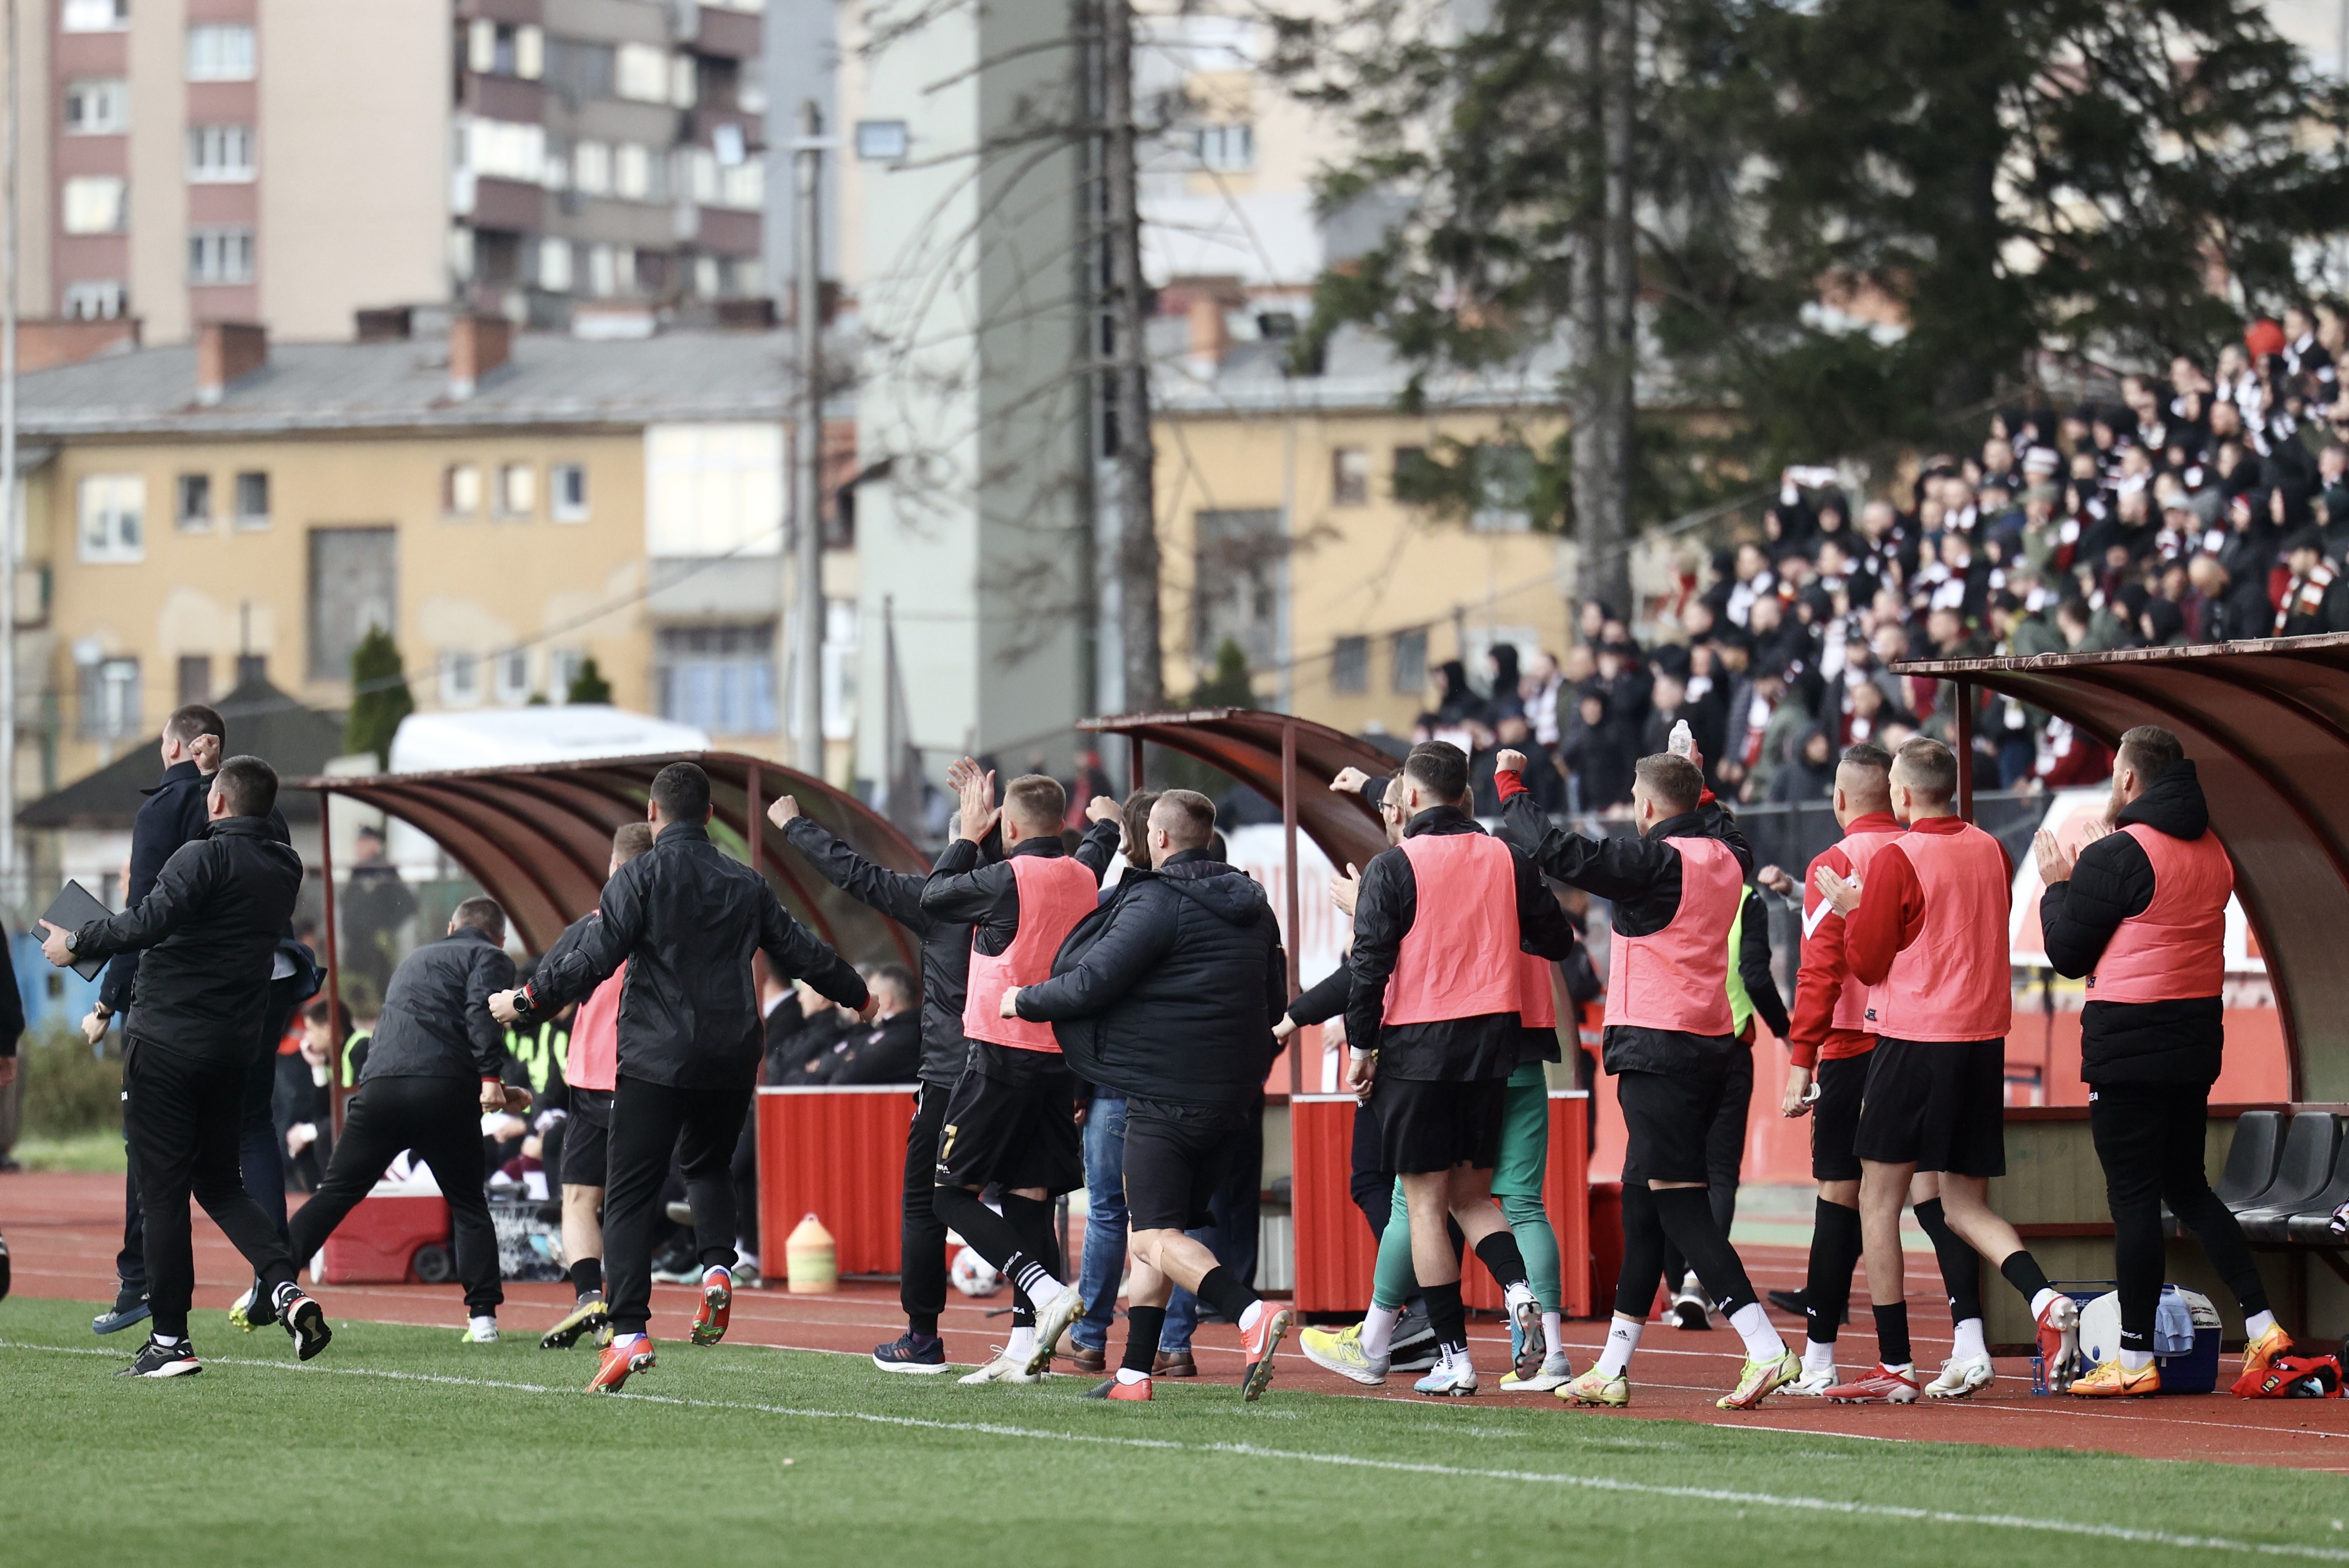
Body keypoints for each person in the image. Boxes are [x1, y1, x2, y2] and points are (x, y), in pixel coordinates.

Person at [493, 761, 872, 1393]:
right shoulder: (746, 881)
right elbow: (800, 947)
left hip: (655, 1058)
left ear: (652, 812)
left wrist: (528, 1000)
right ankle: (719, 1266)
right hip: (730, 1054)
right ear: (711, 816)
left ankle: (631, 1333)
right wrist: (855, 992)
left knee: (631, 1192)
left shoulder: (637, 877)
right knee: (707, 1166)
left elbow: (592, 957)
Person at [1494, 745, 1799, 1410]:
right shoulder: (1729, 856)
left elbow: (1552, 849)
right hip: (1708, 1042)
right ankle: (1611, 1364)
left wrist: (1508, 780)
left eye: (1637, 796)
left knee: (1681, 1204)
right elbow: (1722, 823)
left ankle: (1764, 1343)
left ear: (1651, 806)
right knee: (1642, 1205)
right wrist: (1694, 772)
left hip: (1657, 1050)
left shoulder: (1655, 860)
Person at [41, 755, 330, 1377]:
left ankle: (170, 1341)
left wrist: (77, 942)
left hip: (168, 1041)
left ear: (219, 802)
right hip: (233, 1047)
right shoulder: (285, 865)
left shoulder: (202, 856)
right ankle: (284, 1288)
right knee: (222, 1182)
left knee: (162, 1190)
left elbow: (148, 920)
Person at [1004, 788, 1293, 1401]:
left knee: (1150, 1237)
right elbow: (1275, 1002)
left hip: (1168, 1090)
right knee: (1159, 1226)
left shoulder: (1160, 900)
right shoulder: (1255, 904)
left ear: (1159, 839)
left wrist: (1022, 999)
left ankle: (1249, 1313)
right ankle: (1135, 1372)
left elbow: (1092, 981)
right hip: (1234, 1097)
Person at [1813, 736, 2078, 1402]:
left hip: (1913, 1038)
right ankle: (2045, 1298)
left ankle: (1896, 1363)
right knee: (1961, 1202)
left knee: (1878, 1197)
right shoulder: (1992, 847)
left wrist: (1852, 909)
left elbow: (1869, 962)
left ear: (1902, 793)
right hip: (1982, 1039)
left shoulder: (1902, 856)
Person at [2033, 725, 2292, 1397]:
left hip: (2127, 1045)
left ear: (2127, 780)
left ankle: (2134, 1355)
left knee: (2134, 1203)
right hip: (2192, 1041)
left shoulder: (2118, 853)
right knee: (2189, 1188)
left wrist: (2060, 884)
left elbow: (2067, 952)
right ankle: (2262, 1323)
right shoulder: (2214, 850)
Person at [1334, 740, 1580, 1397]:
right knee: (1474, 1197)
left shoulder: (1394, 864)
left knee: (1422, 1205)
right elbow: (1558, 940)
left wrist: (1362, 1049)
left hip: (1418, 1046)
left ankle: (1455, 1357)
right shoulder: (1509, 858)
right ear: (1464, 793)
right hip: (1494, 1047)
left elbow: (1370, 965)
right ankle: (1520, 1290)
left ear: (1411, 796)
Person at [1768, 742, 1996, 1397]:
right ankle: (1968, 1339)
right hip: (1919, 1039)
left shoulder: (1835, 862)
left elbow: (1819, 971)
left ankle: (1822, 1359)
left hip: (1850, 1046)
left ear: (1840, 800)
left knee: (1842, 1198)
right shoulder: (1917, 851)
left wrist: (1799, 1060)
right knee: (1934, 1198)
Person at [916, 759, 1121, 1383]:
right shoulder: (1084, 872)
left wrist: (965, 834)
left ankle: (1044, 1288)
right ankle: (1025, 1348)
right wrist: (1107, 823)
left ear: (1006, 826)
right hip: (1060, 1059)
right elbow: (1097, 841)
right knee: (1031, 1200)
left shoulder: (1006, 875)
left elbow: (934, 898)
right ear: (1062, 821)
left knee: (947, 1193)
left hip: (999, 1052)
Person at [773, 791, 984, 1372]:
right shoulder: (1042, 889)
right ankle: (1031, 1324)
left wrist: (794, 825)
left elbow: (855, 874)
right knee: (1025, 1195)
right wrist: (1102, 837)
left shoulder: (940, 897)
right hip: (1025, 1063)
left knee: (929, 1202)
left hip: (951, 1068)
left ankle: (925, 1336)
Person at [285, 897, 521, 1341]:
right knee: (469, 1204)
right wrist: (491, 1076)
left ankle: (271, 1280)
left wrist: (499, 1090)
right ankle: (482, 1318)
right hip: (443, 1093)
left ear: (451, 926)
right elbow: (478, 1011)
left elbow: (418, 1034)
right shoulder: (490, 956)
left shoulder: (416, 958)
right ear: (501, 937)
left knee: (335, 1192)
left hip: (382, 1089)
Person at [526, 821, 656, 1351]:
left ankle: (589, 1298)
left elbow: (547, 997)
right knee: (629, 1203)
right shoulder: (674, 931)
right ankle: (619, 1310)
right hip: (649, 1078)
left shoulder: (593, 927)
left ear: (613, 867)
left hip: (590, 1078)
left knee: (580, 1197)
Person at [1658, 874, 1789, 1329]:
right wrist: (1786, 1031)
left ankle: (1677, 1286)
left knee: (1670, 1171)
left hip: (1670, 1045)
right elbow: (1753, 974)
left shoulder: (1665, 882)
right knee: (1719, 1173)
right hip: (1729, 1046)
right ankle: (1700, 1280)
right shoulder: (1745, 898)